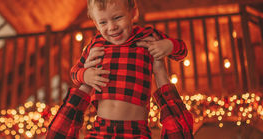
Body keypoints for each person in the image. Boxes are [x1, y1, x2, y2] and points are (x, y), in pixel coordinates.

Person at [70, 0, 188, 138]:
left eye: (117, 17)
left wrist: (169, 45)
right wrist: (85, 75)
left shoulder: (148, 36)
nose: (112, 27)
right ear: (96, 25)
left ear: (133, 12)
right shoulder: (95, 44)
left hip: (136, 130)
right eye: (103, 22)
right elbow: (74, 73)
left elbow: (182, 51)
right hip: (101, 128)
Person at [47, 52, 194, 138]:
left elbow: (57, 135)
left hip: (133, 130)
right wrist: (160, 73)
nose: (111, 27)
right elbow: (180, 133)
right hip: (104, 129)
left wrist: (87, 82)